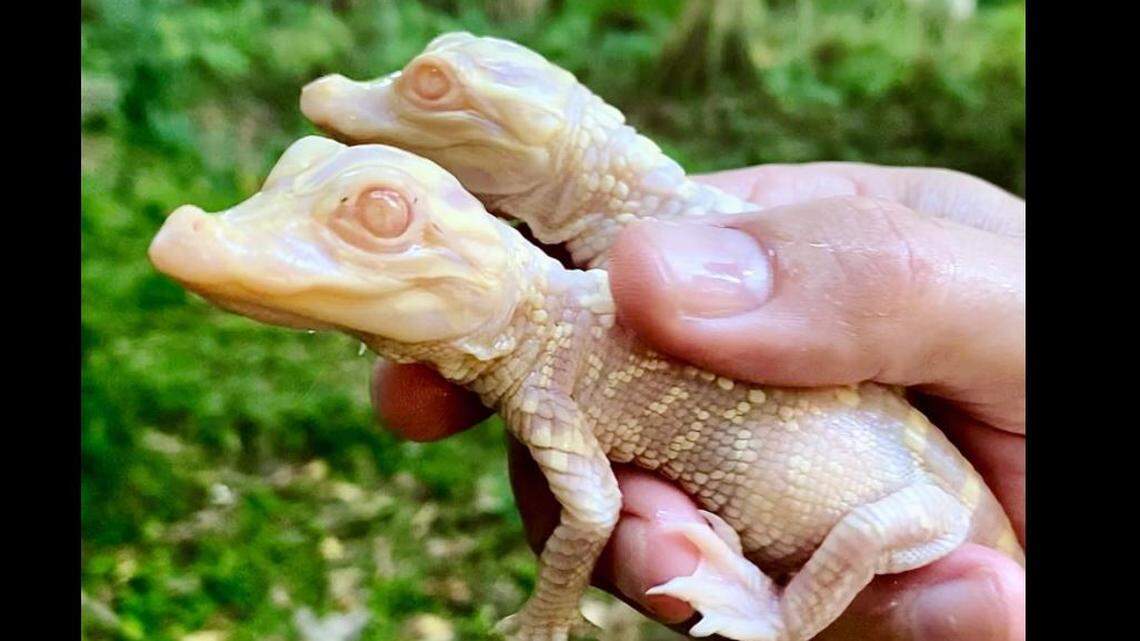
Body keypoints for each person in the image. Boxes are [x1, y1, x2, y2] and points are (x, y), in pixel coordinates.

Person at [370, 163, 1026, 641]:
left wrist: (547, 613)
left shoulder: (564, 340)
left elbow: (593, 511)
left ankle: (784, 620)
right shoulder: (563, 331)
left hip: (911, 506)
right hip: (891, 479)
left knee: (860, 538)